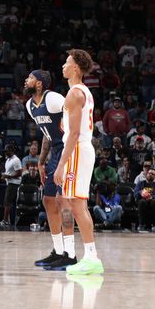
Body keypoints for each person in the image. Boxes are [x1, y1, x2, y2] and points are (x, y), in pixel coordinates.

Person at [52, 49, 103, 275]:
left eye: (66, 62)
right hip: (83, 149)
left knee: (76, 204)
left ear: (75, 68)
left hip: (77, 150)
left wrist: (61, 164)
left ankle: (91, 257)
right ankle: (90, 256)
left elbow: (73, 134)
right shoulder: (83, 92)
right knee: (77, 204)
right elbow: (71, 128)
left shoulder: (74, 93)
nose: (63, 65)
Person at [24, 70, 77, 269]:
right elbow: (46, 134)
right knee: (48, 200)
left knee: (64, 201)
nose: (25, 80)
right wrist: (41, 161)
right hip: (55, 151)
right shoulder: (30, 106)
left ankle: (70, 255)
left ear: (39, 84)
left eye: (29, 78)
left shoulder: (53, 98)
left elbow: (74, 114)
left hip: (68, 150)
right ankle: (58, 250)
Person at [0, 144, 22, 227]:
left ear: (11, 150)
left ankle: (5, 221)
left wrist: (8, 176)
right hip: (9, 183)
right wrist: (4, 175)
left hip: (14, 184)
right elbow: (10, 172)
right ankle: (6, 220)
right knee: (7, 202)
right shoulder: (8, 160)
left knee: (7, 202)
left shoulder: (16, 160)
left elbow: (19, 173)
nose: (5, 153)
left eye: (6, 151)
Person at [134, 168, 155, 232]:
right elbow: (135, 193)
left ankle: (154, 225)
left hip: (152, 200)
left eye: (152, 174)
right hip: (142, 199)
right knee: (142, 202)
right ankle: (141, 225)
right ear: (146, 174)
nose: (150, 175)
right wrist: (141, 193)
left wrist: (151, 197)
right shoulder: (140, 183)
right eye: (149, 173)